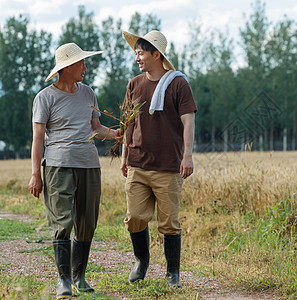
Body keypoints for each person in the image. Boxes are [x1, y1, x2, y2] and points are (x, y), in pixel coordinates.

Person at [28, 42, 119, 299]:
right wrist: (36, 173)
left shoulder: (88, 93)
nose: (85, 68)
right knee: (62, 222)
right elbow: (37, 138)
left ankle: (79, 277)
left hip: (89, 164)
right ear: (67, 67)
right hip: (58, 166)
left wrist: (115, 134)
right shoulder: (44, 98)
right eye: (81, 63)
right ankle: (64, 280)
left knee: (87, 222)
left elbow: (96, 128)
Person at [120, 29, 197, 288]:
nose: (137, 58)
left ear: (157, 54)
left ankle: (172, 273)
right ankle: (141, 262)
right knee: (135, 218)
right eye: (136, 53)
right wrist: (124, 156)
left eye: (141, 53)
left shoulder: (178, 84)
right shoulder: (134, 84)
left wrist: (187, 156)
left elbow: (188, 122)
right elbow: (128, 124)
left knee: (169, 223)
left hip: (168, 166)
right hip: (138, 164)